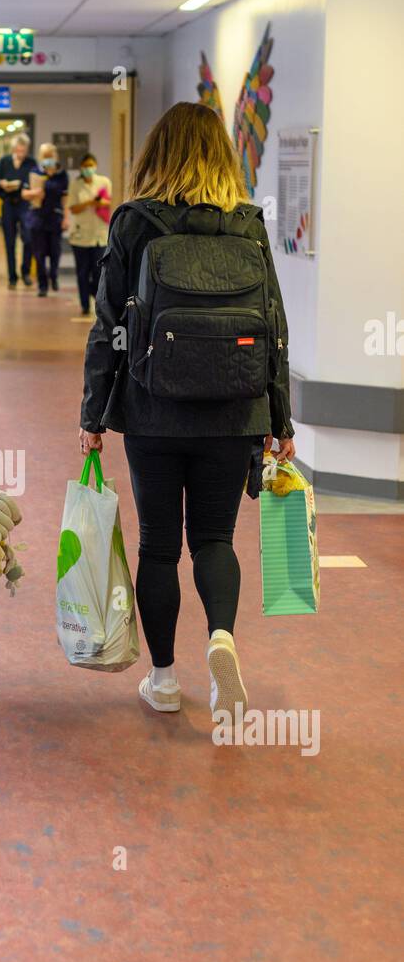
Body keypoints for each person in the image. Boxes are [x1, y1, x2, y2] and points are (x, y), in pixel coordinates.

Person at [79, 101, 295, 722]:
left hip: (153, 409)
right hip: (235, 409)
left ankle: (165, 678)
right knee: (214, 538)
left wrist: (94, 414)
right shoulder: (250, 225)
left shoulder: (134, 223)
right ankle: (221, 639)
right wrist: (279, 419)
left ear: (156, 153)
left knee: (157, 547)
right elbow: (275, 329)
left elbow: (108, 330)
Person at [66, 152, 111, 316]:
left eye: (91, 165)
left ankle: (99, 303)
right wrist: (89, 202)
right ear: (81, 168)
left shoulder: (104, 182)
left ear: (96, 166)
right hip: (80, 236)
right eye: (85, 166)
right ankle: (85, 304)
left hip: (100, 234)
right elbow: (73, 208)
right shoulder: (75, 185)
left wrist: (100, 202)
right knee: (82, 272)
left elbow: (111, 202)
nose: (88, 169)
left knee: (99, 273)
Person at [22, 142, 68, 297]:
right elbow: (24, 193)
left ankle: (53, 275)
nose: (47, 159)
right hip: (37, 217)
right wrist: (34, 193)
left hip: (55, 217)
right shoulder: (34, 172)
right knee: (39, 253)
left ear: (55, 157)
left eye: (50, 156)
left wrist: (66, 218)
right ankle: (42, 285)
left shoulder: (61, 175)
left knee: (55, 252)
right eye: (45, 157)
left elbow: (65, 198)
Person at [0, 133, 38, 288]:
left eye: (24, 151)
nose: (21, 154)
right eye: (18, 150)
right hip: (8, 204)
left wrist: (23, 186)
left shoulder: (31, 162)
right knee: (9, 242)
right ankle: (12, 276)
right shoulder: (4, 161)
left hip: (25, 204)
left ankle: (25, 271)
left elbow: (35, 181)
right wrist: (2, 184)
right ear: (13, 149)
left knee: (28, 239)